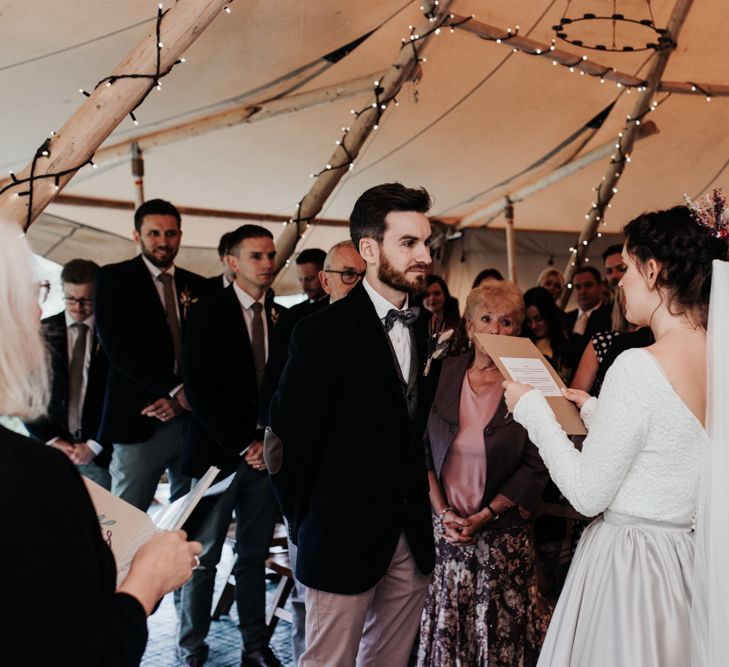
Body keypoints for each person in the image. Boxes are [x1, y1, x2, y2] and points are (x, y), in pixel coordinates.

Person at [504, 202, 727, 666]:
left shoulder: (638, 364)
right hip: (685, 562)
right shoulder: (717, 358)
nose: (618, 282)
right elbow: (675, 441)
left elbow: (587, 495)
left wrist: (533, 412)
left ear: (652, 270)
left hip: (632, 571)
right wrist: (600, 411)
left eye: (625, 268)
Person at [0, 218, 202, 666]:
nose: (39, 312)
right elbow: (86, 650)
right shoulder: (34, 476)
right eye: (28, 295)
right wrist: (147, 578)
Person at [266, 182, 441, 667]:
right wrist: (306, 526)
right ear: (369, 249)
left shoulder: (427, 329)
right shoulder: (322, 332)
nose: (424, 255)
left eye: (426, 242)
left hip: (409, 537)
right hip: (339, 536)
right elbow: (284, 444)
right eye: (408, 243)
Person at [418, 281, 550, 667]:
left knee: (499, 636)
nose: (496, 330)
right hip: (447, 536)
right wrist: (443, 513)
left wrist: (486, 514)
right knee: (451, 631)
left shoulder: (534, 381)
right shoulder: (444, 373)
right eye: (487, 320)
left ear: (519, 330)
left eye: (507, 322)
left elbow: (539, 462)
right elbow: (422, 451)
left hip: (503, 540)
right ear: (470, 327)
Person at [259, 239, 366, 666]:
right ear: (325, 279)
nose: (357, 285)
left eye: (363, 275)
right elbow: (276, 397)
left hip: (359, 489)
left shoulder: (384, 326)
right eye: (347, 275)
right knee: (311, 594)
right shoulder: (301, 322)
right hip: (311, 485)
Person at [179, 224, 282, 667]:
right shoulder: (206, 313)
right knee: (201, 559)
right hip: (216, 457)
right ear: (232, 262)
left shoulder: (281, 315)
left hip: (265, 459)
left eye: (270, 255)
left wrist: (268, 442)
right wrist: (245, 444)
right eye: (256, 256)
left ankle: (254, 646)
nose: (266, 263)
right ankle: (191, 649)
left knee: (254, 556)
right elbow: (199, 390)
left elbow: (283, 387)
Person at [94, 199, 210, 510]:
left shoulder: (200, 286)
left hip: (192, 418)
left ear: (180, 236)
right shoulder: (113, 280)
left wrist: (184, 398)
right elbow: (119, 348)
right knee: (127, 516)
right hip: (139, 417)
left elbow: (208, 351)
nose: (163, 241)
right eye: (154, 233)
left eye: (170, 234)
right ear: (137, 236)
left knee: (187, 517)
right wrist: (175, 389)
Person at [24, 258, 112, 489]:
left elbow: (119, 396)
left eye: (86, 299)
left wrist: (95, 444)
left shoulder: (113, 334)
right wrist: (52, 440)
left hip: (101, 452)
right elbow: (26, 394)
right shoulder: (42, 332)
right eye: (71, 298)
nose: (78, 306)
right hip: (50, 447)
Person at [562, 266, 611, 373]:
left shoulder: (610, 316)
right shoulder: (565, 318)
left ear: (600, 286)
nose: (582, 291)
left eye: (588, 285)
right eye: (577, 287)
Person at [523, 286, 571, 382]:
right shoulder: (522, 344)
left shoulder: (567, 343)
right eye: (528, 321)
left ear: (549, 315)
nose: (533, 326)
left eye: (538, 318)